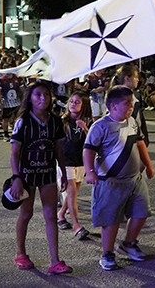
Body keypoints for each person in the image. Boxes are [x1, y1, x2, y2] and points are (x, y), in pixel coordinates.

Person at [83, 85, 155, 271]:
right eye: (127, 103)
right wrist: (90, 171)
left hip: (134, 180)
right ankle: (107, 253)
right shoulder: (100, 126)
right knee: (111, 219)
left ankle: (129, 243)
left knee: (141, 213)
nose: (131, 106)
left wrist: (148, 165)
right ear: (113, 106)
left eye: (132, 102)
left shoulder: (132, 121)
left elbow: (140, 143)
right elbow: (88, 150)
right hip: (110, 182)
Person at [9, 82, 72, 274]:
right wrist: (16, 177)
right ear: (30, 98)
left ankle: (55, 260)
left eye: (46, 94)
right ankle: (21, 253)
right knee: (26, 213)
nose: (43, 98)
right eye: (38, 95)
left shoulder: (55, 121)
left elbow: (59, 150)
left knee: (50, 215)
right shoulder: (24, 122)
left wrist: (63, 171)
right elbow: (15, 153)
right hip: (27, 174)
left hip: (47, 173)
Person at [57, 91, 92, 240]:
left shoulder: (89, 121)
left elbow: (94, 141)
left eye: (77, 102)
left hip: (81, 161)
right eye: (71, 101)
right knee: (71, 193)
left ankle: (60, 215)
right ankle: (77, 226)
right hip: (66, 162)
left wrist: (85, 128)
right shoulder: (62, 121)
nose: (73, 104)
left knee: (73, 194)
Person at [0, 57, 23, 138]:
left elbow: (23, 90)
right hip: (7, 103)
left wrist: (25, 99)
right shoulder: (1, 79)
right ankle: (6, 133)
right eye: (6, 69)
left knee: (18, 118)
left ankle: (17, 132)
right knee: (5, 118)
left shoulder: (17, 78)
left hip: (16, 102)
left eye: (9, 68)